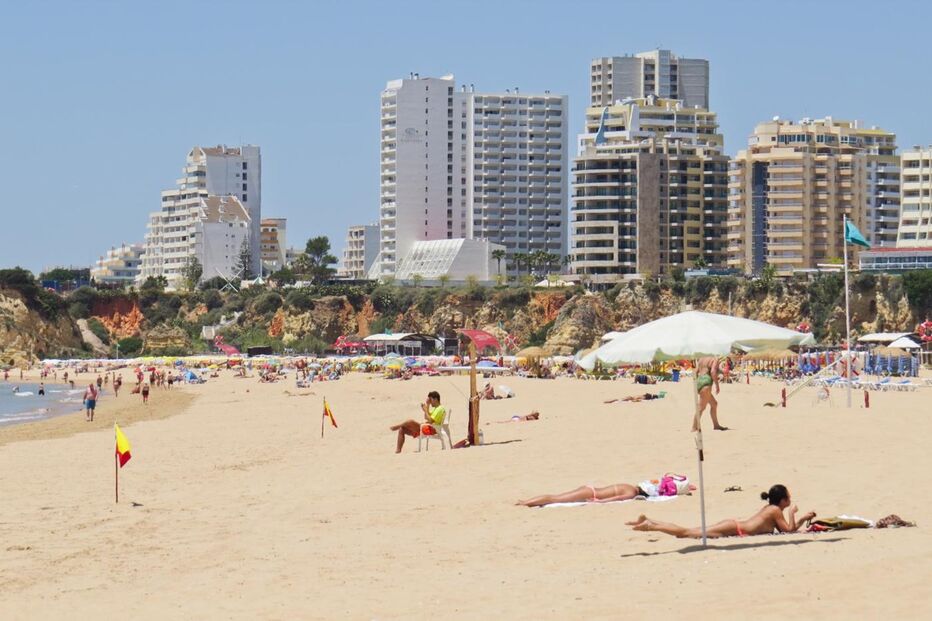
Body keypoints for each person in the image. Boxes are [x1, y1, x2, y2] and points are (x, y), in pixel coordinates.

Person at [626, 483, 816, 538]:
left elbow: (786, 529)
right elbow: (788, 531)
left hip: (734, 525)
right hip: (734, 528)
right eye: (789, 498)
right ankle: (651, 525)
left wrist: (800, 519)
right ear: (783, 500)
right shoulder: (775, 511)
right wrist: (795, 515)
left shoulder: (771, 508)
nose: (790, 500)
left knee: (692, 530)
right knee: (687, 533)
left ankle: (651, 521)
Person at [518, 475, 694, 507]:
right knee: (554, 499)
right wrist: (600, 502)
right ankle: (525, 503)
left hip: (590, 489)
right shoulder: (631, 493)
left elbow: (664, 478)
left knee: (555, 497)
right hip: (591, 494)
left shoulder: (630, 485)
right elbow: (617, 498)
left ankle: (526, 502)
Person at [693, 356, 728, 431]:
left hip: (699, 380)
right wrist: (717, 385)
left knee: (714, 404)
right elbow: (712, 372)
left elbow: (695, 372)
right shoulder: (714, 359)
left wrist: (696, 384)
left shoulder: (701, 359)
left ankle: (716, 425)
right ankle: (694, 427)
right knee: (701, 407)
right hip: (706, 381)